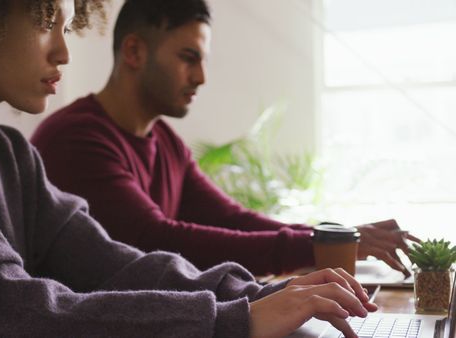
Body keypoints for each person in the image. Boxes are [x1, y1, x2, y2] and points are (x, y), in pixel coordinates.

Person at [0, 0, 377, 336]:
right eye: (44, 20)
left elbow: (113, 263)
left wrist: (254, 296)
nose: (63, 51)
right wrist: (231, 321)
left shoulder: (11, 153)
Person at [31, 0, 419, 276]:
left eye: (202, 60)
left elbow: (233, 218)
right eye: (188, 57)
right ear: (134, 51)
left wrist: (334, 237)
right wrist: (323, 247)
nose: (201, 77)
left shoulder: (165, 141)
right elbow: (153, 239)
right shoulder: (76, 139)